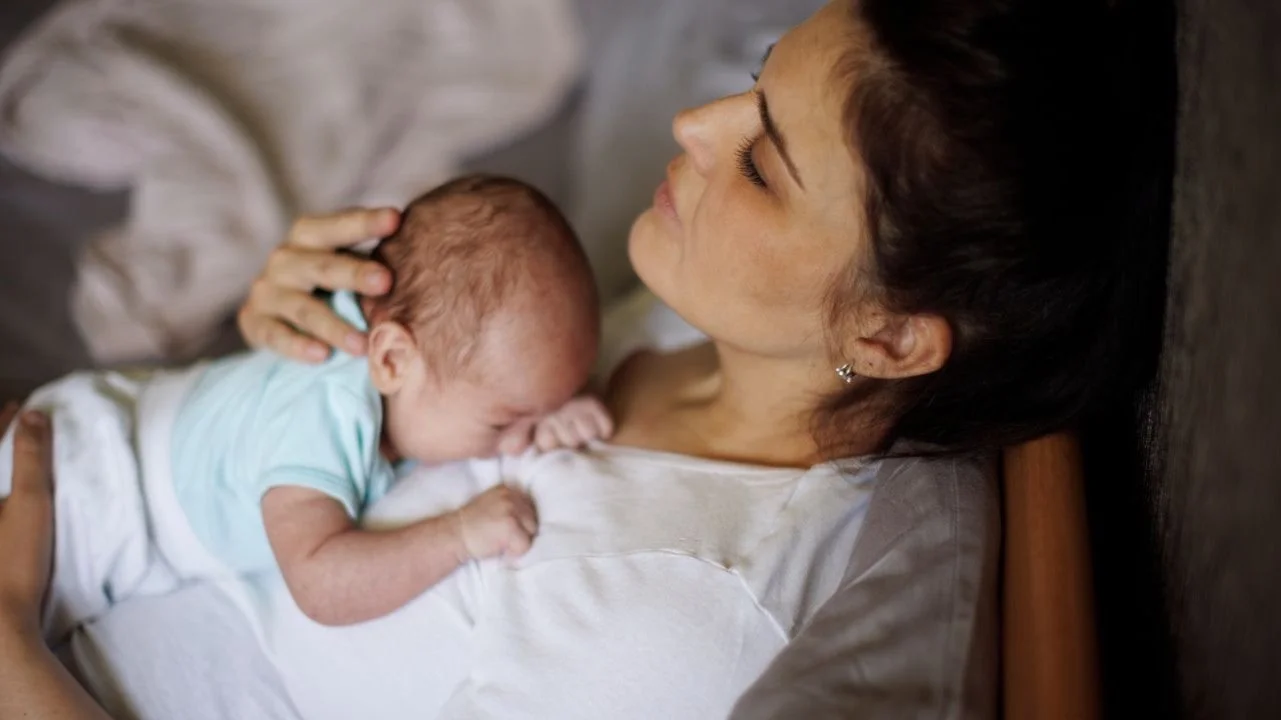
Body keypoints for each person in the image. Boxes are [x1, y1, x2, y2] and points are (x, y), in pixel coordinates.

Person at [0, 1, 1150, 717]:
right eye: (752, 83)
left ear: (888, 337)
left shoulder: (677, 624)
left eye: (761, 163)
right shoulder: (686, 333)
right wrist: (302, 349)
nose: (695, 126)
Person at [0, 174, 616, 637]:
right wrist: (457, 533)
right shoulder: (325, 417)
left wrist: (551, 411)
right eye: (508, 421)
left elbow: (500, 380)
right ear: (393, 360)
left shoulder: (405, 349)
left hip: (104, 422)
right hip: (89, 499)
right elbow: (320, 583)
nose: (519, 439)